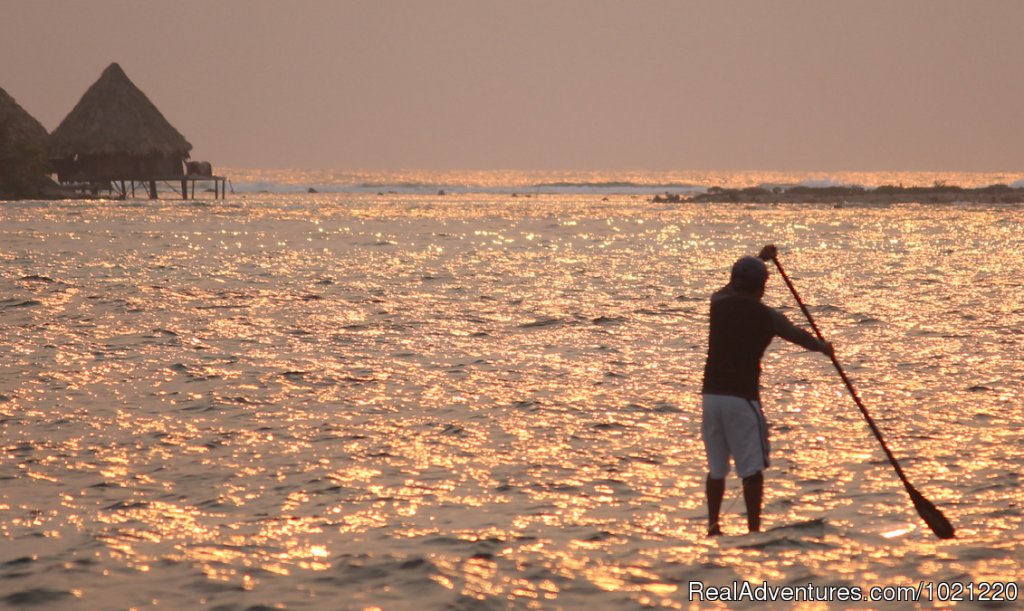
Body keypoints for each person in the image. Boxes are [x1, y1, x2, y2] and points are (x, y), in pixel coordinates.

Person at [701, 245, 833, 535]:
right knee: (752, 470)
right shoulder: (767, 317)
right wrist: (824, 348)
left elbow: (727, 287)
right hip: (741, 400)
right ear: (761, 287)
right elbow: (800, 337)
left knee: (717, 468)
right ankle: (753, 531)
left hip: (710, 398)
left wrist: (759, 260)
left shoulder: (717, 303)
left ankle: (713, 527)